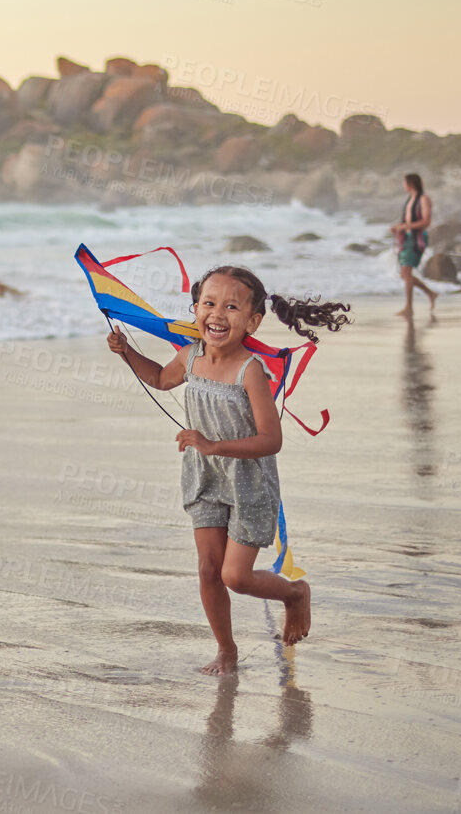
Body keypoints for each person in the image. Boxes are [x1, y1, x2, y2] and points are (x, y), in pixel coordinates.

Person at [106, 266, 351, 674]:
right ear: (196, 308)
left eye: (232, 307)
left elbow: (271, 440)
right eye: (209, 303)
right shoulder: (190, 355)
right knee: (207, 570)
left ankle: (294, 593)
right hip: (204, 478)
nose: (217, 314)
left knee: (235, 576)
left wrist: (212, 444)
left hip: (248, 484)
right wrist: (126, 352)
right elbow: (161, 380)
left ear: (253, 320)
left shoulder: (250, 370)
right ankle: (226, 649)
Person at [390, 172, 437, 316]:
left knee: (406, 273)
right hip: (407, 238)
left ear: (410, 184)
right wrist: (399, 226)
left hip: (417, 238)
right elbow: (408, 222)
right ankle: (430, 294)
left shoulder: (424, 199)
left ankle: (409, 307)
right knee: (404, 274)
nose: (403, 186)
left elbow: (426, 222)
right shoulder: (410, 199)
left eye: (404, 183)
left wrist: (404, 227)